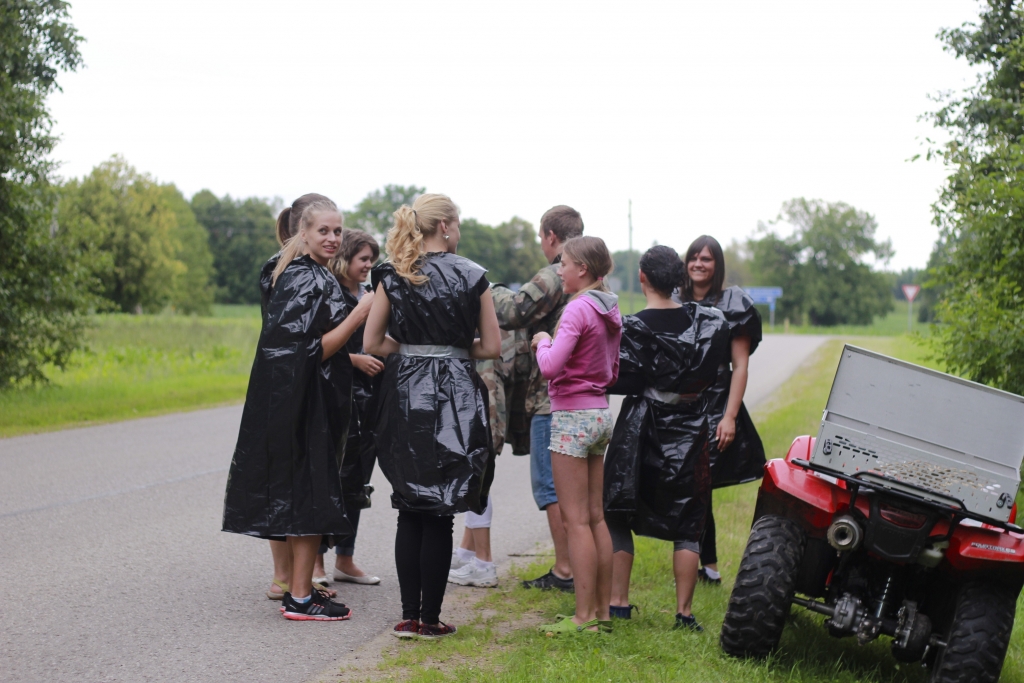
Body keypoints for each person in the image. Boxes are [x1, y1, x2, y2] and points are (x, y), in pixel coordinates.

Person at [223, 194, 374, 621]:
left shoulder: (302, 273)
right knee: (308, 494)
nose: (331, 238)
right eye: (323, 230)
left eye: (337, 231)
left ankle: (298, 589)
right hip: (305, 405)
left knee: (303, 493)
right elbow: (310, 352)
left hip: (304, 401)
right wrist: (359, 313)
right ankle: (301, 597)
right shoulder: (306, 278)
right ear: (302, 233)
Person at [364, 193, 501, 639]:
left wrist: (409, 351)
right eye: (457, 224)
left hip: (405, 393)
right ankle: (430, 618)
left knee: (410, 506)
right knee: (440, 507)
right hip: (455, 395)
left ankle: (407, 615)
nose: (458, 231)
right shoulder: (473, 275)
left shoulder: (394, 273)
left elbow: (372, 342)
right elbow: (492, 346)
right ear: (444, 225)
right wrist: (456, 352)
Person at [604, 246, 730, 631]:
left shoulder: (633, 326)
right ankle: (684, 614)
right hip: (692, 426)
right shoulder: (710, 322)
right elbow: (719, 371)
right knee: (688, 521)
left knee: (618, 509)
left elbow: (621, 379)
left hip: (642, 428)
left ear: (642, 277)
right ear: (678, 276)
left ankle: (618, 602)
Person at [491, 205, 584, 592]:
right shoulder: (593, 274)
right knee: (574, 493)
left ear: (549, 237)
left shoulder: (554, 273)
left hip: (551, 399)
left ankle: (565, 569)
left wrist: (487, 289)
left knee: (550, 488)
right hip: (575, 399)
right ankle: (574, 566)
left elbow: (514, 311)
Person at [532, 236, 622, 635]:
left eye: (563, 263)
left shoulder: (576, 309)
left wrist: (542, 341)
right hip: (600, 413)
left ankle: (582, 617)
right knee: (596, 516)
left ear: (583, 269)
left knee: (576, 523)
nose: (560, 270)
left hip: (571, 416)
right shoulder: (610, 307)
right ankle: (601, 612)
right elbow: (614, 369)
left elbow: (551, 366)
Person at [673, 235, 765, 585]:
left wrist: (729, 416)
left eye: (706, 259)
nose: (698, 264)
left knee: (700, 485)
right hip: (680, 404)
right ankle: (701, 561)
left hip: (715, 404)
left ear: (717, 264)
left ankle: (707, 566)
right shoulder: (675, 301)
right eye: (693, 257)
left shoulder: (733, 302)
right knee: (688, 484)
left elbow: (740, 366)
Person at [311, 229, 383, 587]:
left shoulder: (372, 294)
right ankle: (317, 563)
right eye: (363, 259)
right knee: (332, 481)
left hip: (369, 401)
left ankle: (346, 558)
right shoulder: (329, 291)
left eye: (372, 259)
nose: (369, 265)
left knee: (358, 481)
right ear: (347, 258)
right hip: (336, 397)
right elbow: (318, 346)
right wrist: (354, 360)